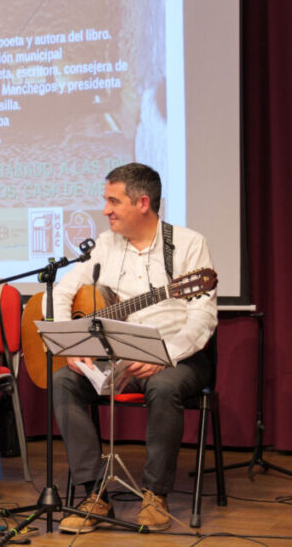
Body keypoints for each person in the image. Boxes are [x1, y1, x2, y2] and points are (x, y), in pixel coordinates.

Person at [52, 163, 217, 533]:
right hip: (116, 358)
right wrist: (72, 343)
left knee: (163, 386)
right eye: (105, 201)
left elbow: (202, 317)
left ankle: (155, 495)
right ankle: (94, 494)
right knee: (64, 381)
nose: (106, 209)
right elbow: (63, 291)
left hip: (178, 359)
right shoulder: (106, 246)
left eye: (114, 201)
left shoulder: (189, 244)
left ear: (143, 203)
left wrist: (166, 355)